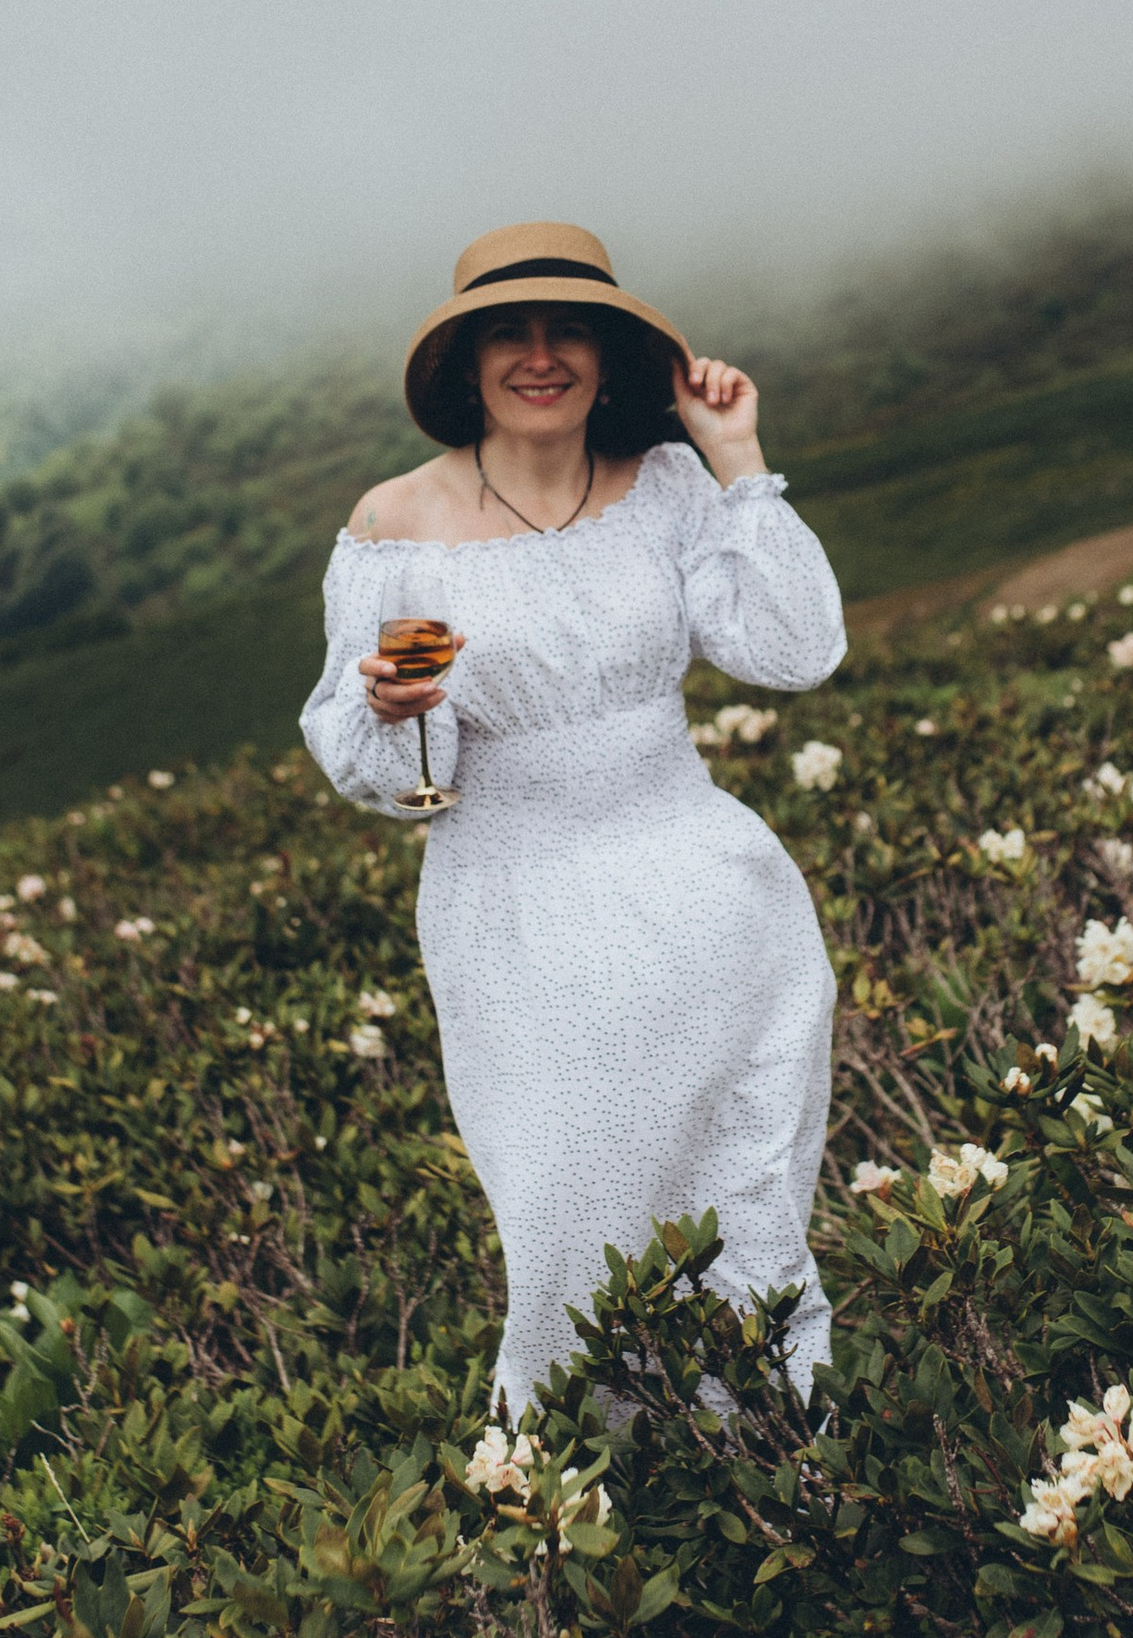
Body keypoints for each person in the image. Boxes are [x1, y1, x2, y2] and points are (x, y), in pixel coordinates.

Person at [300, 221, 847, 1427]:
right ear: (468, 361)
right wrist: (396, 712)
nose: (539, 356)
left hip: (709, 898)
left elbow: (792, 651)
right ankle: (587, 1499)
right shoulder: (394, 519)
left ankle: (781, 1470)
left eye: (567, 332)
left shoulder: (664, 489)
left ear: (607, 358)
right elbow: (354, 752)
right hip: (518, 912)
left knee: (745, 1198)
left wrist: (739, 457)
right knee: (570, 1220)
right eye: (510, 331)